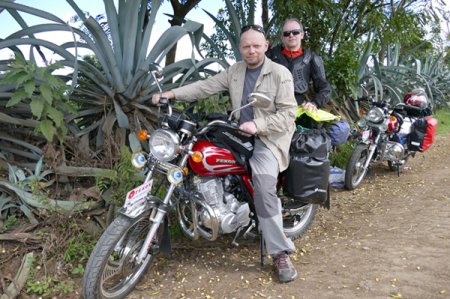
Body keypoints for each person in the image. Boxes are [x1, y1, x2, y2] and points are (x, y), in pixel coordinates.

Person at [152, 24, 299, 283]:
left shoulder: (280, 73)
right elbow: (205, 86)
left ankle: (280, 252)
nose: (251, 50)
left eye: (256, 45)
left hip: (269, 138)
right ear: (240, 48)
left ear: (265, 46)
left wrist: (259, 124)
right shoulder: (235, 71)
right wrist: (172, 93)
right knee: (197, 154)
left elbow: (288, 114)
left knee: (264, 186)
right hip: (239, 133)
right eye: (246, 46)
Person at [266, 18, 331, 112]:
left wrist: (314, 103)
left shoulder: (311, 58)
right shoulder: (269, 56)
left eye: (295, 32)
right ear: (282, 37)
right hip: (271, 107)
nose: (291, 35)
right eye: (286, 33)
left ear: (302, 35)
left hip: (299, 108)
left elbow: (325, 88)